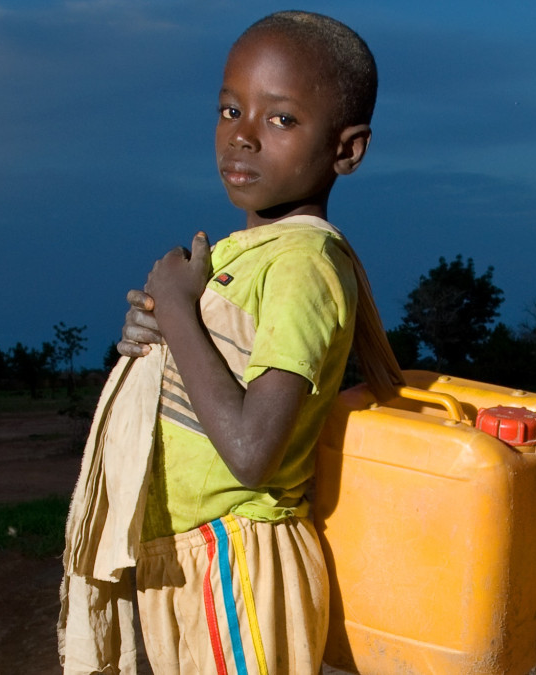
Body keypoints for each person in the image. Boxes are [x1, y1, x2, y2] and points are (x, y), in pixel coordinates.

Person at [72, 10, 378, 675]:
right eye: (230, 110)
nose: (242, 135)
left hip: (237, 556)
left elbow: (250, 452)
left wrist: (180, 311)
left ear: (346, 150)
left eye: (281, 118)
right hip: (190, 554)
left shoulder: (302, 264)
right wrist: (154, 335)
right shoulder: (251, 255)